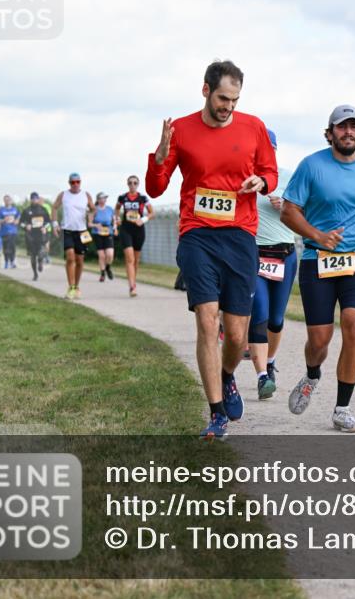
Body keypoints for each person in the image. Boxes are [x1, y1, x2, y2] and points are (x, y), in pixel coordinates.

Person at [145, 59, 277, 440]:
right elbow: (156, 188)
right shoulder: (181, 130)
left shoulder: (253, 127)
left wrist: (261, 182)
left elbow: (271, 171)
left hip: (239, 236)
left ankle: (227, 375)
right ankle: (216, 414)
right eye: (222, 98)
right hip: (197, 234)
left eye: (234, 100)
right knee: (206, 318)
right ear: (206, 90)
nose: (228, 107)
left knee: (236, 336)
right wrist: (159, 155)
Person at [280, 105, 355, 433]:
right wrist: (318, 236)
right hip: (317, 259)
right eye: (341, 127)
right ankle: (312, 374)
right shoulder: (311, 166)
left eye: (354, 127)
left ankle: (342, 409)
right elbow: (289, 212)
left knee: (354, 323)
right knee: (319, 340)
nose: (348, 132)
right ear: (329, 133)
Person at [247, 130, 297, 400]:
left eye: (270, 148)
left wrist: (287, 208)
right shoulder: (243, 177)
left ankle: (270, 362)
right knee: (260, 315)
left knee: (276, 320)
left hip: (285, 256)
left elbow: (308, 212)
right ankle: (261, 377)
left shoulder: (289, 177)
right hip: (255, 255)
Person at [52, 173, 95, 299]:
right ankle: (71, 287)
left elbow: (93, 209)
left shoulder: (86, 195)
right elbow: (54, 208)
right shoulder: (63, 195)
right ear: (69, 183)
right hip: (67, 230)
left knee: (80, 260)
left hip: (82, 231)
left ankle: (76, 286)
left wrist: (90, 214)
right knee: (70, 257)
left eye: (77, 182)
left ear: (80, 182)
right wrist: (55, 224)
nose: (75, 184)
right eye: (73, 182)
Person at [115, 175, 154, 297]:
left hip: (139, 230)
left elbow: (152, 213)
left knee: (136, 260)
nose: (132, 185)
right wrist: (117, 219)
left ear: (138, 184)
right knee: (130, 258)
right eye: (130, 183)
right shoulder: (122, 197)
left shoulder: (143, 198)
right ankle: (132, 286)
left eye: (135, 183)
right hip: (126, 229)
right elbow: (117, 209)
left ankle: (133, 281)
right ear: (127, 184)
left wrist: (143, 220)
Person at [20, 192, 52, 281]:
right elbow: (21, 223)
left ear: (38, 199)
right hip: (30, 236)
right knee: (33, 256)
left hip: (41, 234)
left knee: (42, 252)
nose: (34, 200)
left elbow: (49, 222)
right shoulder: (26, 211)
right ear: (31, 200)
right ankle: (35, 274)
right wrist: (26, 226)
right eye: (33, 199)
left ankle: (41, 261)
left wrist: (45, 227)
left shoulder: (43, 210)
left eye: (36, 198)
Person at [89, 192, 117, 282]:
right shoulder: (94, 210)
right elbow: (89, 224)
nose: (103, 200)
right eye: (101, 198)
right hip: (97, 234)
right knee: (101, 256)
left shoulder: (110, 209)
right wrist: (96, 225)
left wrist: (115, 228)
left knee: (110, 254)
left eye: (105, 198)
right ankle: (102, 274)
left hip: (108, 233)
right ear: (98, 199)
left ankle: (108, 268)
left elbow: (114, 220)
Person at [0, 195, 21, 268]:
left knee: (12, 247)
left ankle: (12, 261)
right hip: (4, 231)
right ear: (4, 201)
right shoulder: (1, 210)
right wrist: (3, 220)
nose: (7, 201)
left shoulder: (15, 209)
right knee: (6, 247)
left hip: (13, 231)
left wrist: (16, 221)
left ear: (11, 201)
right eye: (6, 200)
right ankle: (6, 261)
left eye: (8, 200)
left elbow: (19, 216)